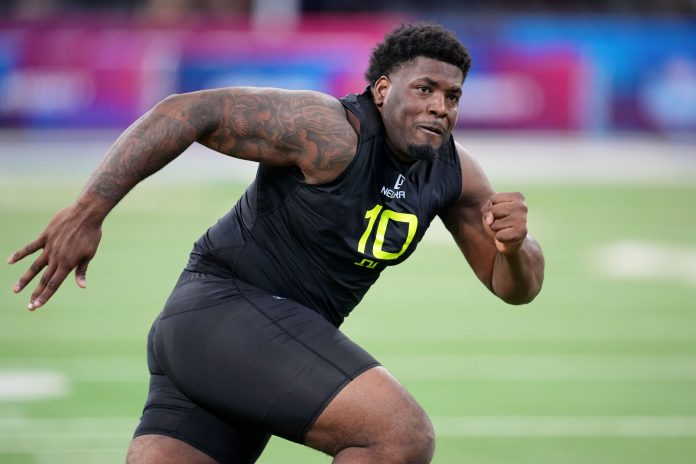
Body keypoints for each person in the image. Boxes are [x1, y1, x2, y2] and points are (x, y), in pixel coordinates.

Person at [7, 23, 544, 464]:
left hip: (249, 348)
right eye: (423, 89)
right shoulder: (332, 132)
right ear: (382, 90)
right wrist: (88, 212)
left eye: (452, 97)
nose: (439, 107)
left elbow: (515, 289)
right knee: (399, 436)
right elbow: (187, 111)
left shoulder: (453, 173)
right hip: (223, 311)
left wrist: (514, 249)